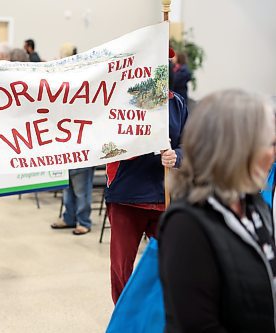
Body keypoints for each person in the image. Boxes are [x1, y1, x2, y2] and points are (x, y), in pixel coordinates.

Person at [159, 89, 276, 332]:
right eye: (268, 144)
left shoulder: (254, 204)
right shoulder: (187, 225)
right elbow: (199, 325)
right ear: (235, 149)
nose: (272, 154)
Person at [105, 48, 188, 304]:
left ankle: (163, 317)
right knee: (122, 269)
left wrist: (177, 156)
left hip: (165, 197)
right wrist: (141, 146)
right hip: (127, 197)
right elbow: (108, 145)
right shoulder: (121, 101)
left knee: (171, 266)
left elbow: (189, 146)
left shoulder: (177, 103)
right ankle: (124, 319)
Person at [51, 43, 94, 236]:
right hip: (64, 142)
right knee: (67, 185)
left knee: (81, 187)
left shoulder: (85, 86)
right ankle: (69, 217)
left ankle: (83, 220)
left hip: (82, 142)